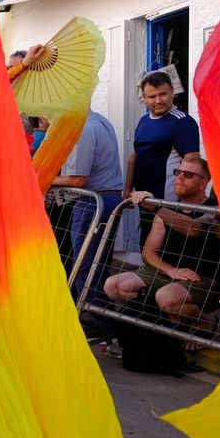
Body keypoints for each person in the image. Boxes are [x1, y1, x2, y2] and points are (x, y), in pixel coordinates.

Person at [104, 153, 220, 335]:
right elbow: (148, 252)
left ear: (204, 183)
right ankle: (162, 324)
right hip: (165, 274)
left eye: (188, 175)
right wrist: (170, 270)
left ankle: (205, 321)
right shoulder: (168, 208)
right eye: (178, 172)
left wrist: (156, 207)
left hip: (200, 279)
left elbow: (194, 228)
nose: (179, 178)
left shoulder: (215, 209)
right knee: (112, 285)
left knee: (167, 298)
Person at [52, 109, 123, 299]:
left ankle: (93, 320)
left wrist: (44, 178)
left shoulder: (83, 128)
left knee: (86, 266)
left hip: (93, 202)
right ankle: (99, 316)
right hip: (106, 199)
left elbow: (78, 179)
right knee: (96, 265)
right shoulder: (100, 121)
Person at [125, 70, 200, 248]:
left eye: (163, 94)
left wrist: (185, 202)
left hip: (168, 204)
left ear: (172, 92)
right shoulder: (143, 121)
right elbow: (135, 155)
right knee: (146, 247)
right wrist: (127, 189)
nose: (158, 100)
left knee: (166, 251)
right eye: (152, 96)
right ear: (144, 98)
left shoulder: (182, 122)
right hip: (144, 200)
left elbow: (192, 161)